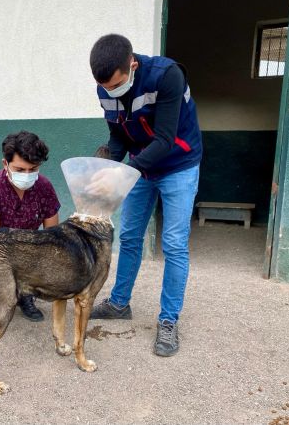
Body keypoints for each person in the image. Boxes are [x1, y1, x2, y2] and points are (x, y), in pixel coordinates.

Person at [87, 34, 202, 357]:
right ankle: (120, 304)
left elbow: (165, 139)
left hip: (179, 163)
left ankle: (168, 320)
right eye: (105, 87)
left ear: (132, 64)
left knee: (175, 244)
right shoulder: (105, 86)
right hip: (141, 165)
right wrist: (107, 165)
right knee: (130, 235)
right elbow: (118, 135)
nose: (111, 91)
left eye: (116, 85)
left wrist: (122, 173)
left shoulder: (167, 76)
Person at [0, 130, 61, 321]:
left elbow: (52, 234)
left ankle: (25, 296)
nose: (27, 175)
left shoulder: (44, 187)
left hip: (26, 248)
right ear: (6, 164)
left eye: (33, 169)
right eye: (20, 170)